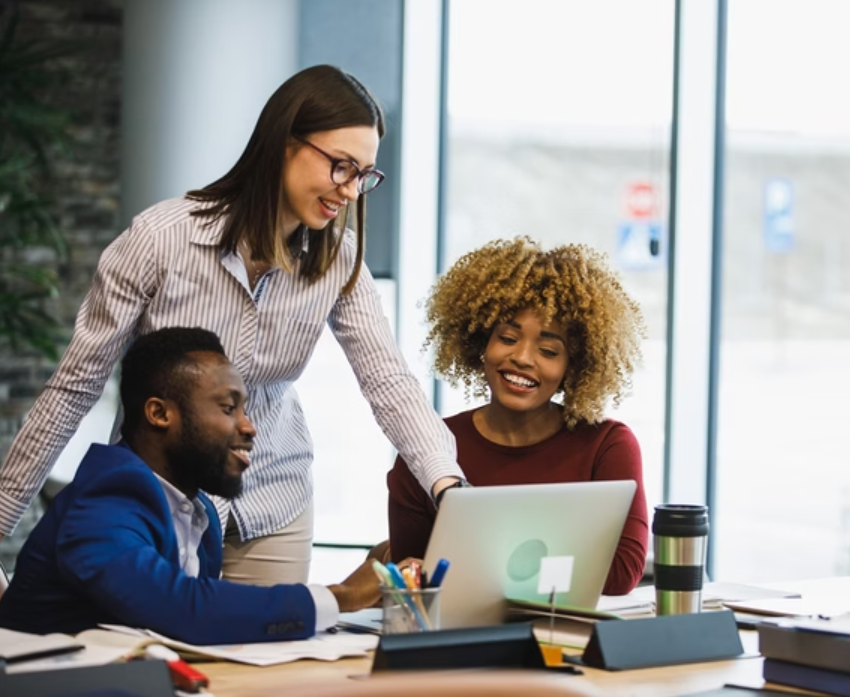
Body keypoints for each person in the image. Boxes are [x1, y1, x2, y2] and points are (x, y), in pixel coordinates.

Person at [0, 65, 465, 585]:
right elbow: (73, 388)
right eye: (341, 167)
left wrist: (446, 484)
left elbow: (388, 380)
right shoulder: (161, 240)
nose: (352, 191)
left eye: (364, 175)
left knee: (270, 658)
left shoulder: (338, 259)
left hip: (272, 499)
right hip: (161, 497)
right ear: (285, 143)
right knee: (159, 657)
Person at [0, 328, 407, 644]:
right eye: (229, 408)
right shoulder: (106, 499)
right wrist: (343, 596)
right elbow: (177, 608)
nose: (249, 427)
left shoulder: (199, 512)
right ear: (160, 413)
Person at [387, 237, 650, 595]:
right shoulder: (427, 448)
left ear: (574, 366)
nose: (523, 358)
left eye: (548, 350)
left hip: (565, 640)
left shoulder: (607, 446)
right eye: (508, 338)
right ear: (480, 343)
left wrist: (476, 562)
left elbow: (620, 575)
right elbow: (415, 578)